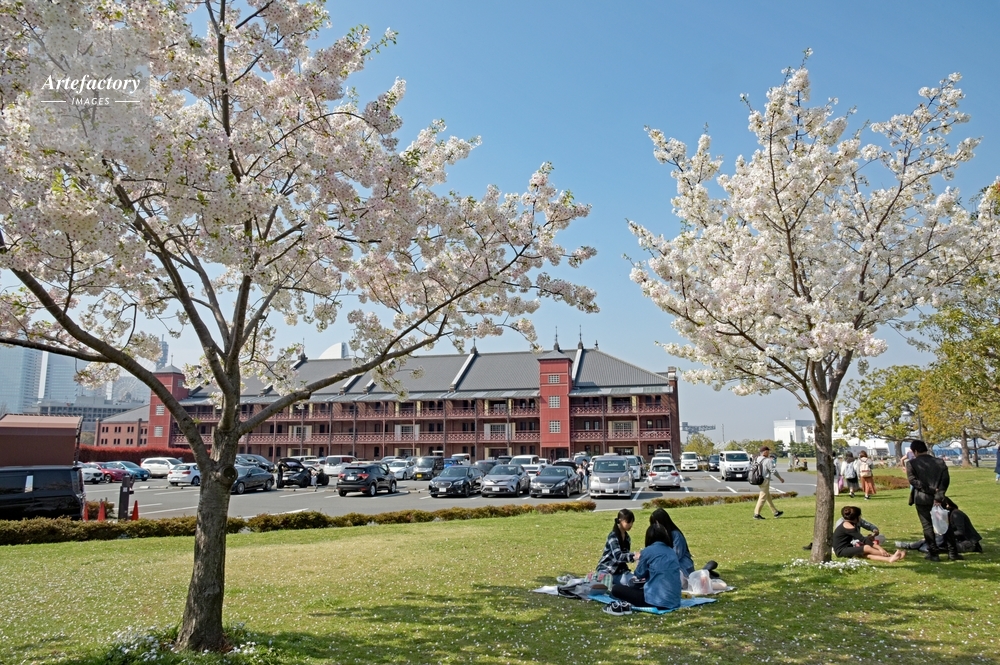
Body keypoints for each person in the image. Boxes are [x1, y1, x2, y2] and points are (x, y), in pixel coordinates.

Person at [905, 439, 960, 561]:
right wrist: (938, 495)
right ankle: (953, 552)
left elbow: (913, 481)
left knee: (927, 526)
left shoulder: (911, 463)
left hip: (922, 498)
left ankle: (933, 553)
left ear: (915, 451)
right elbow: (945, 481)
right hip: (939, 498)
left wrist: (929, 490)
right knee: (945, 525)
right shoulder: (939, 462)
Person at [610, 523, 681, 610]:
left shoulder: (647, 551)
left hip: (655, 601)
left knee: (616, 589)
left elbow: (639, 575)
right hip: (674, 601)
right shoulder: (671, 551)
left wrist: (639, 560)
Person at [650, 508, 719, 582]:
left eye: (656, 523)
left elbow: (676, 555)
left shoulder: (675, 535)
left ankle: (704, 574)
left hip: (682, 566)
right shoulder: (658, 536)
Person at [895, 497, 983, 554]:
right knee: (932, 539)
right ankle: (912, 545)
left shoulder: (956, 514)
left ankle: (911, 546)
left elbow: (961, 532)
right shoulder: (945, 515)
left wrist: (942, 535)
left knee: (935, 544)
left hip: (968, 543)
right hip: (954, 540)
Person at [832, 506, 905, 563]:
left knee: (866, 555)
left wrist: (871, 535)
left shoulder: (848, 523)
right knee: (866, 547)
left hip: (847, 547)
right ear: (856, 517)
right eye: (860, 516)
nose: (860, 517)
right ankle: (892, 555)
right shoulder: (849, 526)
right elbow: (863, 540)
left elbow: (863, 538)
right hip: (841, 551)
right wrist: (880, 548)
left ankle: (889, 559)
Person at [596, 508, 639, 584]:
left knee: (634, 582)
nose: (631, 524)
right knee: (606, 584)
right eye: (628, 522)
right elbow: (618, 556)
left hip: (619, 571)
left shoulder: (627, 538)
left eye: (632, 522)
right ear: (620, 520)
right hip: (606, 569)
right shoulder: (613, 536)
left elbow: (624, 558)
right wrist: (634, 556)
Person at [753, 445, 785, 520]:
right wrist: (780, 478)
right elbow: (773, 471)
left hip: (757, 479)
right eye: (768, 451)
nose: (769, 453)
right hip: (765, 480)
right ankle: (756, 514)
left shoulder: (756, 459)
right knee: (762, 497)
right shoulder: (767, 460)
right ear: (765, 452)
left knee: (768, 496)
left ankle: (775, 512)